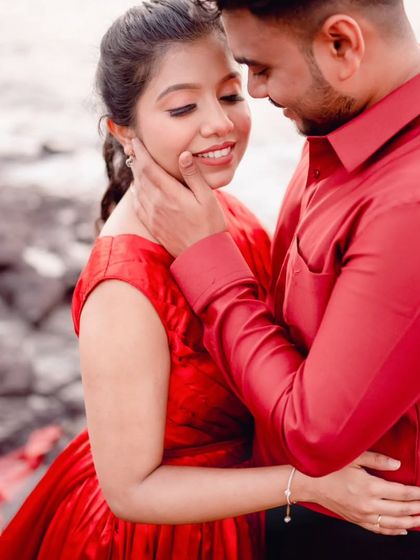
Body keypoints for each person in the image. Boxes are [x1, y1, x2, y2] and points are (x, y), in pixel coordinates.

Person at [1, 1, 420, 559]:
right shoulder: (125, 285)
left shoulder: (215, 212)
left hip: (248, 508)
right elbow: (129, 490)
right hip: (168, 538)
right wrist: (304, 483)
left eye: (231, 95)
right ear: (123, 130)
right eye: (181, 108)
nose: (221, 122)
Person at [126, 0, 420, 558]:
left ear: (342, 45)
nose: (256, 93)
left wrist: (207, 258)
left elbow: (315, 439)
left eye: (258, 69)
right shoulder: (341, 129)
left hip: (365, 529)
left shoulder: (407, 201)